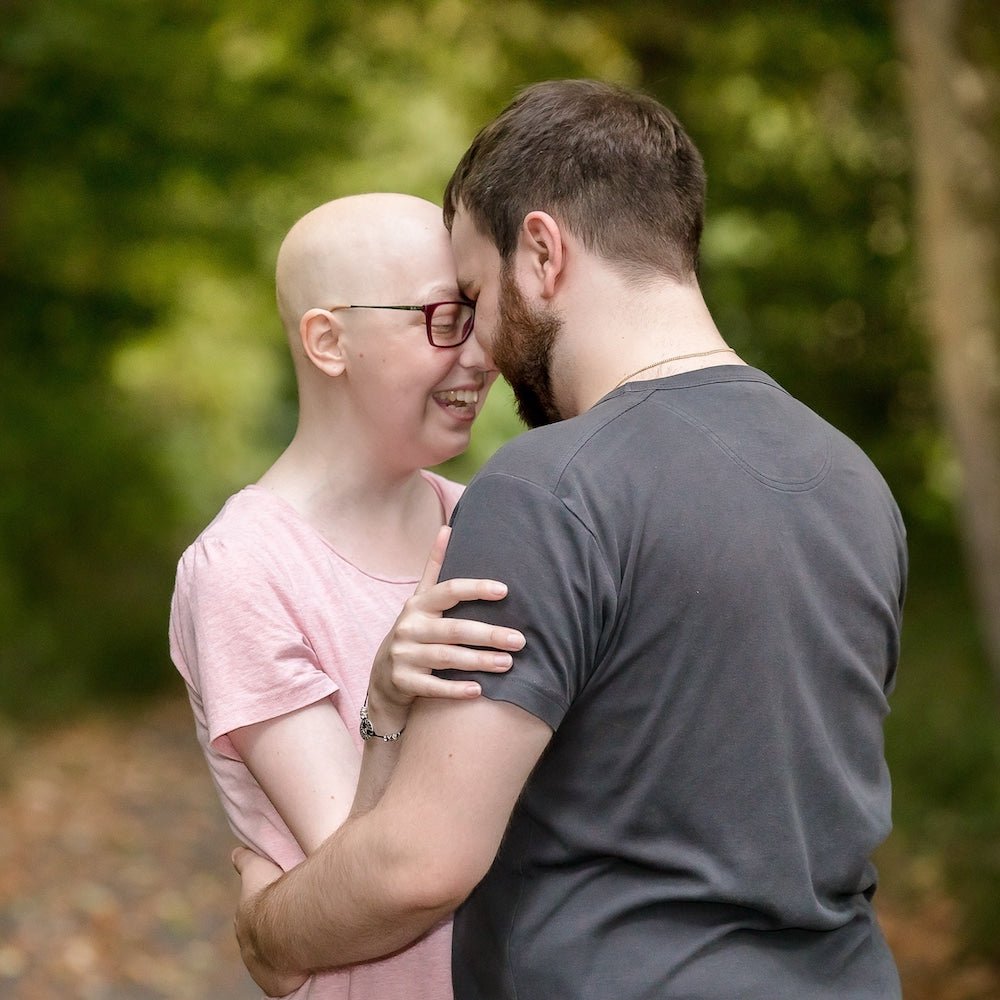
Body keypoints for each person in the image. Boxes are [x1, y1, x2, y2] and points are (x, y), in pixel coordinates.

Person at [233, 81, 907, 1000]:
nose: (480, 348)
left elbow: (417, 866)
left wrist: (267, 933)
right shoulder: (853, 481)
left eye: (477, 293)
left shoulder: (547, 489)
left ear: (543, 253)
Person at [168, 192, 523, 1000]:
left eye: (478, 314)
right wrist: (385, 707)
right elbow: (362, 885)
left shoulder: (486, 523)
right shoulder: (243, 569)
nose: (481, 354)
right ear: (328, 341)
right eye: (443, 319)